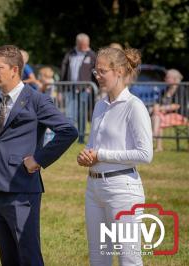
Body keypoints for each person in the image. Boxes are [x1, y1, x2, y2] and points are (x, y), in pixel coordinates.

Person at [0, 45, 78, 266]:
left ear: (14, 69)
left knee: (28, 256)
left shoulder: (36, 100)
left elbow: (68, 131)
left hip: (22, 190)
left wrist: (38, 159)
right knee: (8, 258)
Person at [77, 47, 153, 266]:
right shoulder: (100, 105)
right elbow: (93, 145)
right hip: (94, 189)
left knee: (129, 258)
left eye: (102, 71)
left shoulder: (134, 107)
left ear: (119, 71)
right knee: (98, 258)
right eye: (95, 72)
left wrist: (101, 154)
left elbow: (145, 154)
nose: (97, 76)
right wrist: (86, 156)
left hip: (123, 191)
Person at [60, 33, 96, 143]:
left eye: (87, 45)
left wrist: (92, 86)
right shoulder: (70, 54)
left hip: (85, 90)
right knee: (70, 114)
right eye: (83, 45)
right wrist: (61, 88)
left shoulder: (92, 55)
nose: (86, 47)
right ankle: (69, 138)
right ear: (78, 44)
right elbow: (64, 69)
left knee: (82, 115)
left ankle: (81, 138)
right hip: (70, 88)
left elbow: (95, 72)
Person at [152, 69, 187, 151]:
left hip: (180, 115)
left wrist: (160, 108)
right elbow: (157, 102)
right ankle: (158, 145)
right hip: (165, 115)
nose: (165, 79)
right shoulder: (166, 89)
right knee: (157, 117)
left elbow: (177, 106)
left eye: (167, 77)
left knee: (158, 118)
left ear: (174, 79)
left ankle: (153, 136)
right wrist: (156, 107)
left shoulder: (181, 89)